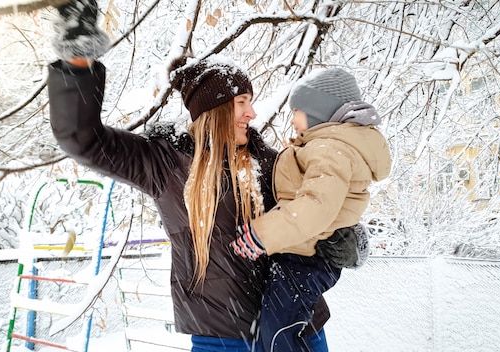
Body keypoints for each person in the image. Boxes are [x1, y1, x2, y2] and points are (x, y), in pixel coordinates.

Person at [45, 1, 332, 350]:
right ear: (215, 110)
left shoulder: (273, 163)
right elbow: (82, 139)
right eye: (242, 102)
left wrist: (344, 236)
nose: (252, 113)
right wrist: (77, 60)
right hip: (220, 337)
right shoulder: (164, 164)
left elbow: (323, 209)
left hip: (296, 328)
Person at [230, 68, 392, 351]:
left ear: (318, 112)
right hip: (300, 256)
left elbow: (316, 205)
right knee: (275, 332)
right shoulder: (322, 147)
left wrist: (262, 234)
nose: (291, 119)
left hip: (305, 259)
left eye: (297, 111)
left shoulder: (330, 150)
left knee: (280, 333)